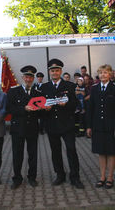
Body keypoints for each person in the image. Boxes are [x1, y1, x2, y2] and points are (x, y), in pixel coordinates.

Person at [41, 59, 84, 189]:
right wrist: (44, 108)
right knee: (55, 151)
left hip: (67, 124)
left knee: (71, 150)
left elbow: (76, 104)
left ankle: (75, 177)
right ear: (49, 72)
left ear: (60, 71)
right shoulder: (44, 87)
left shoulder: (70, 86)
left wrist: (66, 104)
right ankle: (60, 175)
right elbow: (41, 105)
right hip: (52, 124)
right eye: (52, 70)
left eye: (57, 70)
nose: (54, 72)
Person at [86, 64, 115, 189]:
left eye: (105, 73)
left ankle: (110, 177)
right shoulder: (94, 88)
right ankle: (102, 176)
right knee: (101, 152)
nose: (103, 75)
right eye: (101, 73)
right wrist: (89, 126)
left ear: (110, 74)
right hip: (98, 126)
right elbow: (90, 109)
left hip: (111, 127)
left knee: (111, 152)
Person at [6, 65, 41, 189]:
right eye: (26, 76)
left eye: (31, 77)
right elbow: (9, 108)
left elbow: (39, 112)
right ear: (22, 77)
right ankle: (17, 178)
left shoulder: (37, 93)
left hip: (32, 128)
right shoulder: (13, 91)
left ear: (33, 78)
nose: (28, 79)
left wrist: (44, 108)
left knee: (33, 154)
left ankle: (32, 177)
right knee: (17, 155)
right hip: (18, 128)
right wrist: (24, 108)